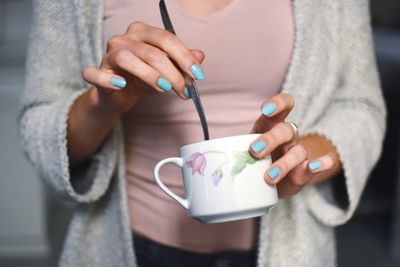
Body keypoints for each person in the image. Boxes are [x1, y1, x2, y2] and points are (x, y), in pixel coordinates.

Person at [19, 0, 386, 266]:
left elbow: (360, 107)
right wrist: (104, 104)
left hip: (289, 252)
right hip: (123, 248)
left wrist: (299, 156)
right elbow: (39, 130)